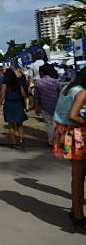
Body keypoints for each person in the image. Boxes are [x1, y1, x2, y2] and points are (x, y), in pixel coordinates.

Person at [52, 68, 86, 229]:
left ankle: (75, 209)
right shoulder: (82, 92)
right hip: (78, 134)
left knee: (76, 176)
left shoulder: (68, 88)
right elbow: (73, 115)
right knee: (79, 178)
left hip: (67, 133)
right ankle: (78, 215)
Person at [0, 69, 28, 149]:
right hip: (18, 103)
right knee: (20, 124)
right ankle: (21, 141)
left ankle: (13, 143)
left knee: (11, 125)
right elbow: (24, 95)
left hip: (9, 104)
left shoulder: (4, 85)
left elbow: (2, 97)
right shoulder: (18, 84)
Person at [34, 64, 62, 148]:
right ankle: (57, 142)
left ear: (42, 72)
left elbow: (36, 97)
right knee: (56, 124)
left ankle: (51, 142)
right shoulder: (56, 81)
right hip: (57, 106)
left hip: (45, 106)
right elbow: (61, 94)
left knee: (49, 125)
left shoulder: (38, 82)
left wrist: (36, 107)